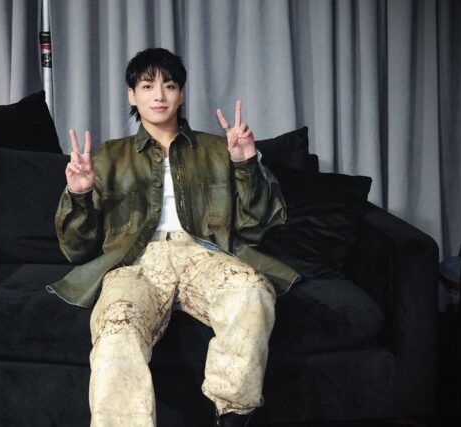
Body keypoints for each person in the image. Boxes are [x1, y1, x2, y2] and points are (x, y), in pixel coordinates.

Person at [49, 48, 299, 427]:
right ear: (132, 95)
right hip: (135, 262)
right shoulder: (108, 156)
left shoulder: (217, 148)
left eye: (169, 85)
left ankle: (232, 414)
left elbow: (257, 226)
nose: (159, 95)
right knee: (116, 328)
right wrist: (79, 193)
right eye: (147, 86)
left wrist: (246, 163)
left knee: (252, 291)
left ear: (181, 94)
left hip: (205, 255)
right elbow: (77, 249)